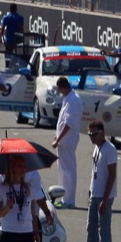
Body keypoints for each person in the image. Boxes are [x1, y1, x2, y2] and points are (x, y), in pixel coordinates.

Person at [78, 121, 117, 242]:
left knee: (104, 231)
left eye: (95, 134)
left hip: (104, 196)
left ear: (102, 132)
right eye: (90, 135)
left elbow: (112, 174)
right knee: (91, 228)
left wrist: (105, 199)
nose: (92, 138)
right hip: (94, 194)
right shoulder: (96, 149)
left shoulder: (110, 149)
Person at [50, 76, 83, 209]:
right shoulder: (68, 98)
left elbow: (69, 123)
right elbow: (62, 121)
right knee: (63, 169)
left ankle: (69, 200)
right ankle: (65, 197)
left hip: (68, 139)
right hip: (63, 139)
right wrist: (56, 137)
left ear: (62, 87)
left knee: (69, 169)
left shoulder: (74, 100)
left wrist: (58, 139)